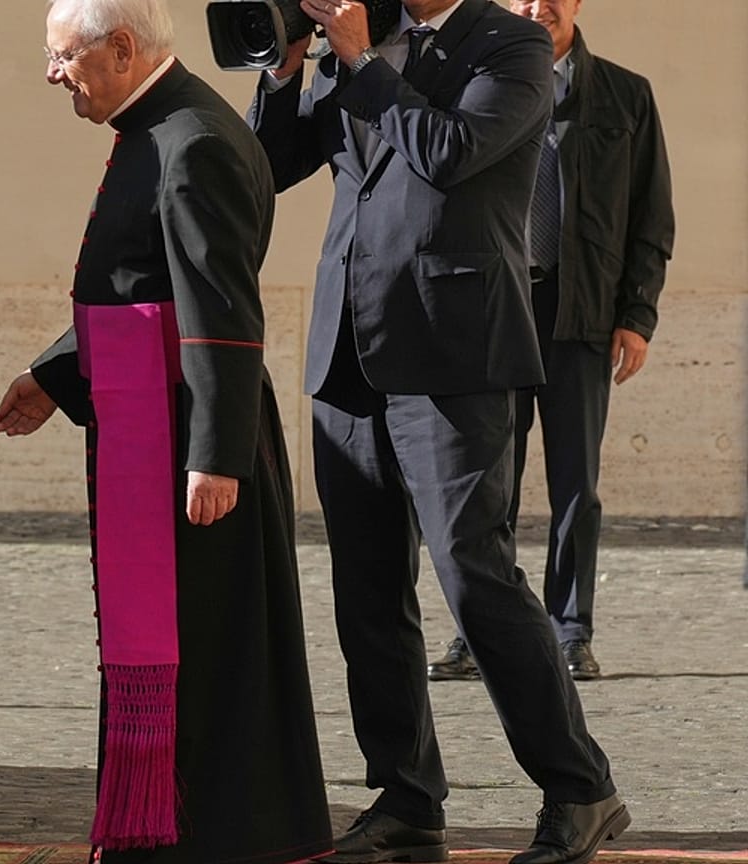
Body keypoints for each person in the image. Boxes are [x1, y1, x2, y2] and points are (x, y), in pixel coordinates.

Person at [248, 1, 630, 862]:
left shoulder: (512, 45)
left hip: (456, 354)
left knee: (473, 574)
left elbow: (449, 153)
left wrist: (360, 61)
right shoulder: (358, 44)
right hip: (349, 353)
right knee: (368, 588)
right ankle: (407, 798)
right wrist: (284, 70)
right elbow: (264, 169)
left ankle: (581, 788)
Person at [0, 1, 334, 861]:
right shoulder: (163, 125)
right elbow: (139, 285)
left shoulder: (194, 141)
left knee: (207, 645)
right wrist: (55, 375)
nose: (52, 74)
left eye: (62, 56)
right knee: (189, 640)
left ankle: (212, 836)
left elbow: (218, 309)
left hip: (185, 433)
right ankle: (171, 830)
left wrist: (214, 456)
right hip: (159, 412)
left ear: (121, 47)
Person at [427, 0, 674, 684]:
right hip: (495, 311)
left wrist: (637, 316)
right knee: (486, 484)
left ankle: (571, 631)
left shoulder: (625, 95)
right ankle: (480, 632)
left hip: (580, 314)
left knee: (575, 486)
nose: (538, 5)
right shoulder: (476, 80)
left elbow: (652, 218)